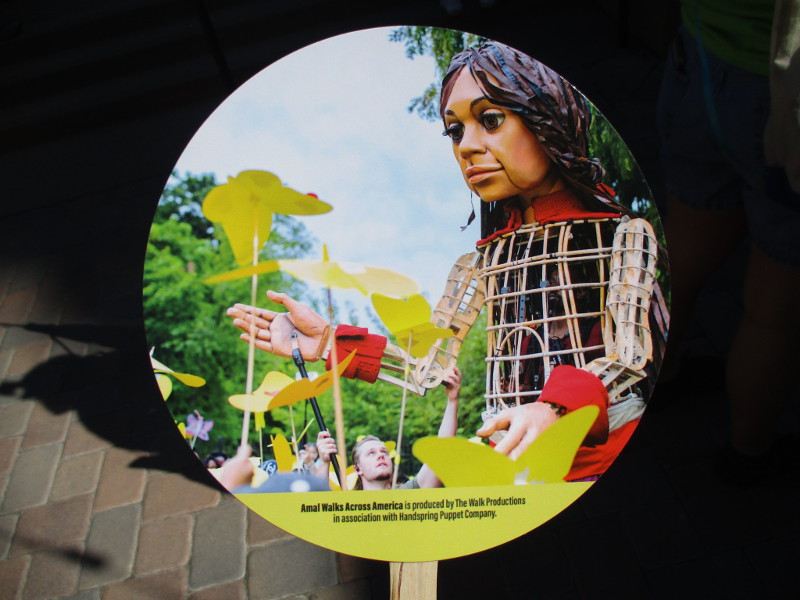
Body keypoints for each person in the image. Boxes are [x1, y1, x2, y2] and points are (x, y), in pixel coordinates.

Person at [227, 41, 664, 482]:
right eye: (455, 131)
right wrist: (327, 344)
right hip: (510, 464)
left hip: (606, 457)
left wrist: (554, 407)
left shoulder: (623, 235)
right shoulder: (481, 261)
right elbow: (428, 370)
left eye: (490, 120)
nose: (467, 147)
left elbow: (629, 359)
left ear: (547, 118)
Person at [315, 366, 461, 490]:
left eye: (384, 451)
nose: (381, 455)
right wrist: (324, 461)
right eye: (371, 453)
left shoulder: (406, 495)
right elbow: (317, 502)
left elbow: (442, 451)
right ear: (358, 469)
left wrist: (452, 400)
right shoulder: (347, 504)